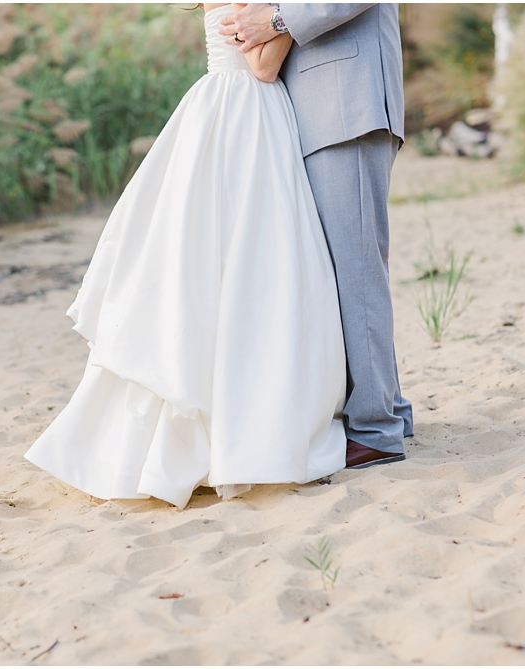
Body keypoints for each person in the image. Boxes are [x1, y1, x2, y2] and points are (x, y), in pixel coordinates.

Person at [25, 3, 348, 509]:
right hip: (251, 113)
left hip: (214, 107)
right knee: (255, 262)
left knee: (199, 258)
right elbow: (263, 68)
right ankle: (248, 419)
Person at [219, 3, 414, 469]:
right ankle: (391, 412)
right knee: (352, 267)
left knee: (356, 270)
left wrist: (277, 20)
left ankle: (376, 430)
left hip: (346, 100)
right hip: (320, 106)